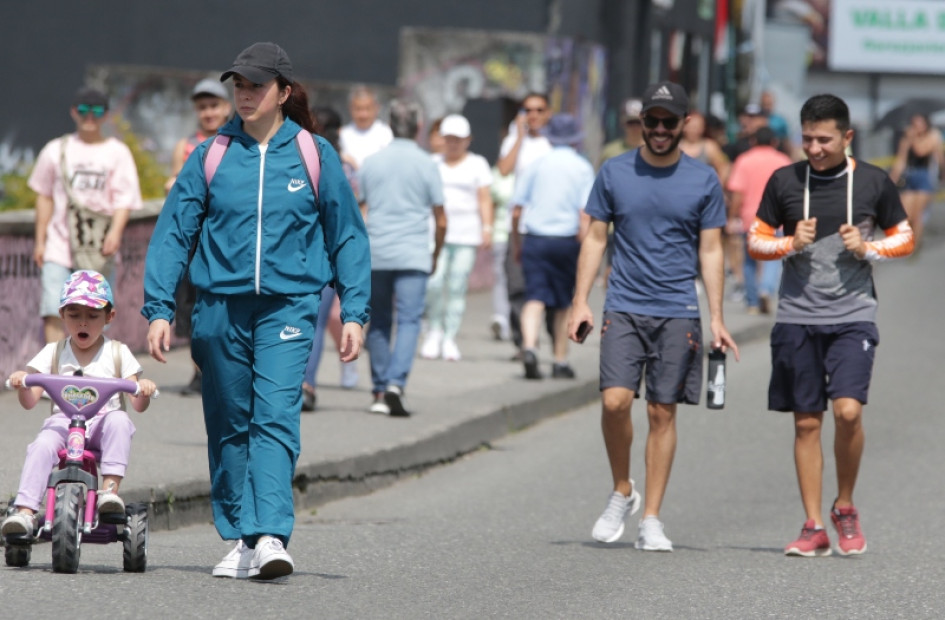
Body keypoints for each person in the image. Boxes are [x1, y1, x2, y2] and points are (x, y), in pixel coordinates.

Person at [142, 42, 370, 580]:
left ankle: (269, 534)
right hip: (219, 308)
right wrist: (159, 309)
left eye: (256, 86)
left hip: (289, 306)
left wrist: (354, 311)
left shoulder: (313, 154)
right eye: (239, 86)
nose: (244, 95)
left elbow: (347, 236)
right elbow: (174, 233)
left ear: (283, 93)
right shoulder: (212, 154)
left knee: (274, 416)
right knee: (228, 422)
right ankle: (243, 537)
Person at [569, 81, 739, 551]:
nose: (660, 129)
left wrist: (717, 317)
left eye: (669, 122)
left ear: (686, 124)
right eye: (652, 121)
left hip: (677, 310)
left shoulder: (703, 179)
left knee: (662, 411)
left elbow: (711, 249)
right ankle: (622, 489)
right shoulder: (614, 171)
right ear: (641, 122)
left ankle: (651, 519)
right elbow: (596, 238)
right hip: (623, 305)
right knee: (614, 402)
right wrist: (580, 300)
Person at [748, 94, 914, 557]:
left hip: (852, 315)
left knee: (848, 412)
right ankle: (813, 525)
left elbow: (905, 238)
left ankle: (844, 505)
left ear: (847, 136)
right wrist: (788, 244)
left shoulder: (873, 182)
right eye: (807, 139)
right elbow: (756, 239)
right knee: (806, 422)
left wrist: (868, 248)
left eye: (824, 139)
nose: (815, 148)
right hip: (797, 316)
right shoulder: (785, 180)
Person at [2, 270, 157, 537]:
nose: (83, 323)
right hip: (64, 423)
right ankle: (25, 511)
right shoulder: (54, 352)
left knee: (120, 420)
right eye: (74, 315)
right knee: (42, 444)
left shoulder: (117, 353)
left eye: (93, 316)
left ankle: (109, 492)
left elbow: (137, 403)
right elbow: (30, 401)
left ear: (109, 317)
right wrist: (23, 383)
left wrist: (142, 390)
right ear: (62, 315)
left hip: (102, 425)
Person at [27, 86, 143, 344]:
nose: (90, 116)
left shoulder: (117, 152)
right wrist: (40, 241)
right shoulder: (55, 149)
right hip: (59, 246)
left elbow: (124, 199)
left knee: (95, 314)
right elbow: (44, 196)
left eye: (97, 111)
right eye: (84, 110)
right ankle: (56, 367)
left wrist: (115, 233)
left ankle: (89, 367)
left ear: (106, 115)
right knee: (53, 310)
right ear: (73, 112)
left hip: (98, 248)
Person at [359, 100, 445, 416]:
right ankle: (396, 383)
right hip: (413, 253)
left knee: (379, 321)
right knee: (409, 320)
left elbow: (360, 209)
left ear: (390, 125)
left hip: (377, 252)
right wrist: (435, 253)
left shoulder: (370, 162)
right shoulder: (427, 164)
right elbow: (441, 218)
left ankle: (380, 390)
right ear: (419, 127)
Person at [511, 114, 593, 380]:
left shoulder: (537, 165)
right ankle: (559, 360)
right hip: (566, 239)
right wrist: (585, 248)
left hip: (535, 237)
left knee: (534, 297)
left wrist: (517, 242)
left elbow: (516, 209)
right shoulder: (582, 167)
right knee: (562, 303)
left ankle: (529, 347)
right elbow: (584, 213)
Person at [165, 78, 234, 395]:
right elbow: (176, 185)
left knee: (225, 305)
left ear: (226, 107)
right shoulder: (186, 146)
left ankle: (225, 371)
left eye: (214, 106)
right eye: (203, 107)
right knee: (192, 307)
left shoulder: (237, 143)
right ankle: (199, 372)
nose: (208, 112)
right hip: (193, 239)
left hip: (226, 237)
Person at [300, 105, 362, 412]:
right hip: (323, 252)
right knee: (318, 320)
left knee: (315, 320)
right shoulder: (341, 165)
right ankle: (305, 382)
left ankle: (306, 384)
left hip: (320, 254)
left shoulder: (328, 163)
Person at [420, 114, 493, 361]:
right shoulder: (432, 163)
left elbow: (484, 198)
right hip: (435, 233)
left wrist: (487, 227)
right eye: (449, 138)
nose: (453, 144)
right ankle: (434, 330)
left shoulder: (478, 164)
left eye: (458, 139)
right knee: (434, 282)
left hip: (466, 234)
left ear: (467, 140)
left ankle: (450, 336)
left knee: (457, 285)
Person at [726, 126, 792, 314]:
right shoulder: (783, 161)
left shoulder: (744, 160)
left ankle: (752, 302)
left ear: (753, 141)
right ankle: (765, 288)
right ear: (775, 142)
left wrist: (732, 217)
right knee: (773, 257)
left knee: (749, 261)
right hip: (777, 217)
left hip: (750, 218)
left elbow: (737, 193)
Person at [888, 112, 944, 251]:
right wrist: (892, 179)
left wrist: (912, 138)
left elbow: (921, 151)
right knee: (906, 216)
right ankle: (908, 240)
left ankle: (915, 246)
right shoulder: (907, 139)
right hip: (909, 176)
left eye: (919, 123)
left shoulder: (933, 136)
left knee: (918, 215)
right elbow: (901, 160)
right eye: (914, 124)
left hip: (924, 177)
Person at [339, 85, 393, 169]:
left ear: (377, 108)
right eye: (358, 109)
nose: (363, 114)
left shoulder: (386, 134)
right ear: (350, 108)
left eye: (368, 109)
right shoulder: (343, 134)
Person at [597, 97, 644, 168]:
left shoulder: (654, 152)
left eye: (638, 122)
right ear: (622, 123)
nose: (635, 127)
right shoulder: (610, 153)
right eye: (631, 122)